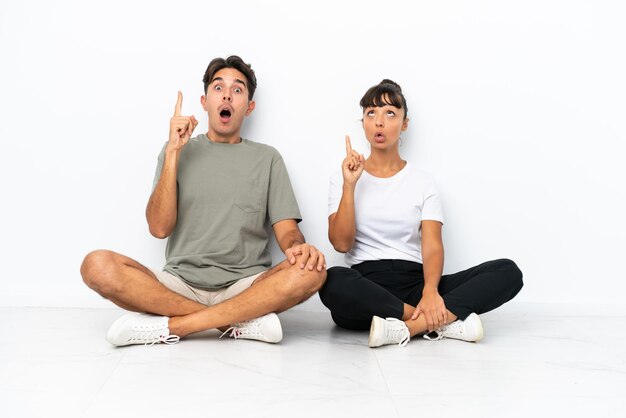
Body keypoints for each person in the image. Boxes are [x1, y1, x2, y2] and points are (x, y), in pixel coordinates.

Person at [81, 55, 326, 347]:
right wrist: (173, 151)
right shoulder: (178, 150)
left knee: (314, 271)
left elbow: (287, 232)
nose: (226, 95)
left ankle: (176, 326)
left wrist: (300, 250)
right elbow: (159, 228)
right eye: (218, 87)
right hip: (179, 286)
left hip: (247, 287)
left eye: (237, 90)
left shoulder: (267, 158)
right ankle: (236, 322)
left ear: (249, 107)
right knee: (96, 265)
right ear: (205, 101)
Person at [319, 79, 523, 348]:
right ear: (364, 123)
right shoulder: (343, 177)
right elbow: (341, 243)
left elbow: (432, 246)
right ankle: (438, 322)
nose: (379, 121)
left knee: (508, 272)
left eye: (390, 113)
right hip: (368, 286)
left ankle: (410, 327)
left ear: (404, 124)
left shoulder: (422, 181)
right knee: (332, 280)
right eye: (371, 113)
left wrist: (430, 291)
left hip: (415, 284)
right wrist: (350, 184)